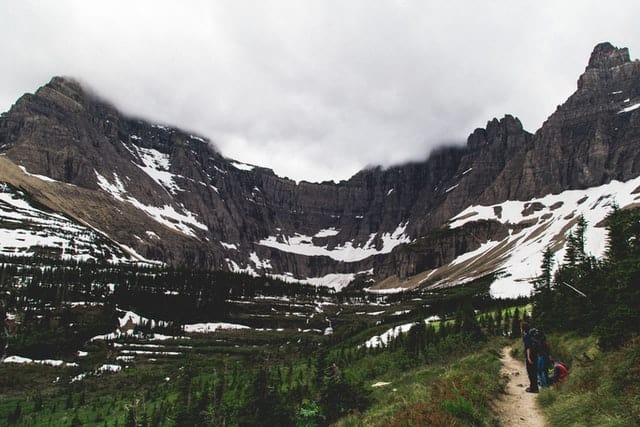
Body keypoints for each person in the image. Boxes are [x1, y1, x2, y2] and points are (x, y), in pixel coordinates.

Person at [521, 321, 538, 393]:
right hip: (535, 355)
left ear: (523, 328)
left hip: (530, 356)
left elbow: (528, 347)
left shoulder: (526, 336)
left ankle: (533, 388)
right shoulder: (531, 335)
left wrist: (528, 357)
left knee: (531, 372)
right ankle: (534, 387)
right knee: (534, 371)